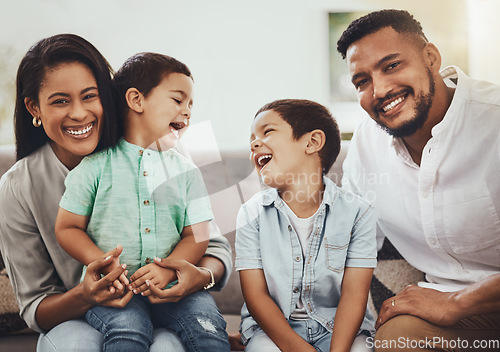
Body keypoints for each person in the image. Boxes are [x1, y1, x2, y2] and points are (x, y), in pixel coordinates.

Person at [0, 34, 232, 352]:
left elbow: (211, 244)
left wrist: (196, 275)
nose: (79, 113)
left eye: (89, 96)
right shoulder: (18, 186)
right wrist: (87, 294)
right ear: (34, 107)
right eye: (60, 100)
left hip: (163, 296)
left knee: (171, 345)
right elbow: (36, 307)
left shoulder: (165, 153)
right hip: (80, 315)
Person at [337, 9, 500, 351]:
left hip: (467, 304)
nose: (379, 89)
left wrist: (458, 303)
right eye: (362, 81)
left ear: (431, 58)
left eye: (392, 65)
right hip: (464, 324)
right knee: (398, 338)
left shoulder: (494, 120)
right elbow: (344, 242)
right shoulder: (367, 144)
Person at [235, 99, 377, 352]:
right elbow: (256, 296)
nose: (255, 143)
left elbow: (354, 296)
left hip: (339, 329)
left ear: (312, 142)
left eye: (267, 131)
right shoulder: (250, 213)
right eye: (252, 139)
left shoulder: (359, 212)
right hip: (273, 332)